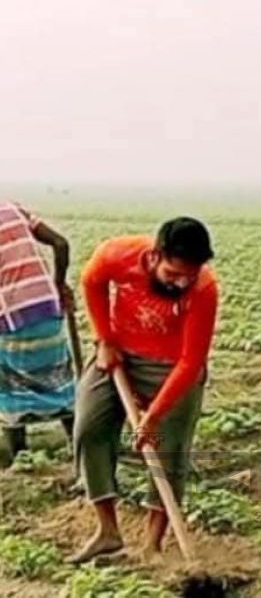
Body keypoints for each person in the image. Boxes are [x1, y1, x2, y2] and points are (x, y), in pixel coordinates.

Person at [71, 217, 218, 563]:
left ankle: (153, 545)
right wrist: (104, 340)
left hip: (172, 368)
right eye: (173, 274)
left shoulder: (203, 290)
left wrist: (152, 417)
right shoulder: (116, 254)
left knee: (169, 450)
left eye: (189, 275)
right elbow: (91, 282)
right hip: (118, 356)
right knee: (89, 427)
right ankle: (107, 531)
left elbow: (191, 362)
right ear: (154, 257)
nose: (181, 282)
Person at [0, 201, 76, 466]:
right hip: (48, 309)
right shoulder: (11, 207)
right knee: (62, 383)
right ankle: (80, 450)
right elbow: (61, 244)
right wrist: (58, 284)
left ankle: (19, 462)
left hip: (13, 317)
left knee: (10, 387)